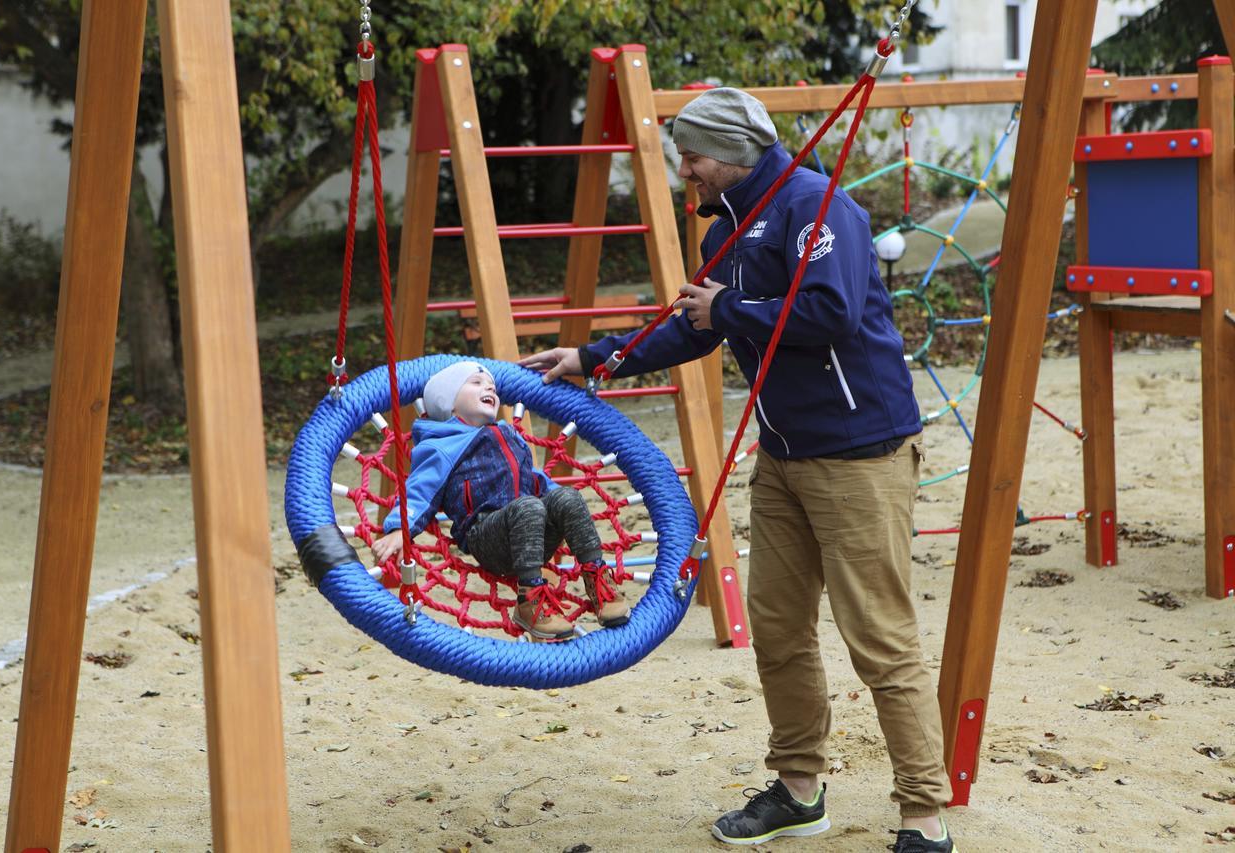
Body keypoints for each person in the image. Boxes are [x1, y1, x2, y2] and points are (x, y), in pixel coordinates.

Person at [520, 88, 956, 851]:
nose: (682, 168)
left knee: (879, 638)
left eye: (691, 154)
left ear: (731, 151)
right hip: (783, 455)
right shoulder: (724, 226)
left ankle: (924, 816)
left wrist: (727, 311)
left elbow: (828, 312)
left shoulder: (817, 208)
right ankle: (798, 787)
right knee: (780, 630)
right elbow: (694, 323)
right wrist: (592, 358)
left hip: (860, 453)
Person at [372, 360, 631, 640]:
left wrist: (566, 512)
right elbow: (420, 489)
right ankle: (530, 602)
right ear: (449, 403)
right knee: (528, 506)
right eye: (476, 383)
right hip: (487, 536)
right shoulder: (441, 445)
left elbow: (535, 480)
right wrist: (402, 529)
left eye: (492, 387)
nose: (489, 389)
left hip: (532, 537)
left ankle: (598, 582)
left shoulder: (508, 435)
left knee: (566, 496)